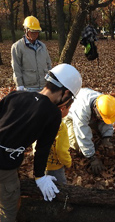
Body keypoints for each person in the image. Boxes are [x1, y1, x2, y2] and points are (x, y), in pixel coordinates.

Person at [0, 63, 82, 222]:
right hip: (3, 167)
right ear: (65, 93)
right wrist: (40, 177)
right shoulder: (53, 113)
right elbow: (43, 149)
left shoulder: (15, 95)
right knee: (7, 211)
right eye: (69, 99)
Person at [63, 88, 115, 174]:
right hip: (69, 116)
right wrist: (92, 157)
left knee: (100, 125)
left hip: (91, 115)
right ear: (96, 110)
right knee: (76, 145)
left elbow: (107, 120)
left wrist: (107, 137)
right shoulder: (81, 111)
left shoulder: (105, 102)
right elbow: (82, 134)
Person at [11, 16, 52, 92]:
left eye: (37, 31)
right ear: (26, 30)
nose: (35, 34)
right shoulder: (17, 47)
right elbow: (16, 67)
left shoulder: (42, 46)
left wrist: (50, 81)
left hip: (44, 86)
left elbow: (48, 64)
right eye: (32, 31)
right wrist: (19, 85)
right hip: (29, 88)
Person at [45, 98, 74, 184]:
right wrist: (68, 162)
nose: (69, 111)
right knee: (60, 188)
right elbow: (61, 150)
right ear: (63, 108)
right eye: (69, 108)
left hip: (41, 164)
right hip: (55, 167)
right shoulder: (61, 126)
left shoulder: (43, 119)